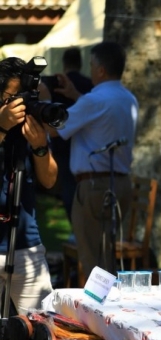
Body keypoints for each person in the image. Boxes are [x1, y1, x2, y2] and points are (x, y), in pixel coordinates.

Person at [45, 41, 138, 283]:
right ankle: (111, 312)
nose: (90, 68)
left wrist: (42, 102)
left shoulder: (94, 101)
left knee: (93, 262)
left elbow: (55, 129)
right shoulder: (129, 98)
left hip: (94, 187)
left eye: (92, 64)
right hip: (121, 183)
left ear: (101, 71)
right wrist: (76, 94)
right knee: (107, 257)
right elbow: (98, 113)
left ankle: (99, 315)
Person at [0, 57, 58, 313]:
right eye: (14, 96)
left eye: (26, 97)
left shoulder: (29, 126)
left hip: (26, 245)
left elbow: (49, 179)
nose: (21, 105)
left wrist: (39, 147)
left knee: (40, 336)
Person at [44, 47, 93, 222]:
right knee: (80, 188)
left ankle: (76, 226)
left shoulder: (57, 85)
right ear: (80, 63)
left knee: (67, 187)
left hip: (62, 143)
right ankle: (78, 226)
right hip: (84, 143)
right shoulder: (88, 85)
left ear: (64, 64)